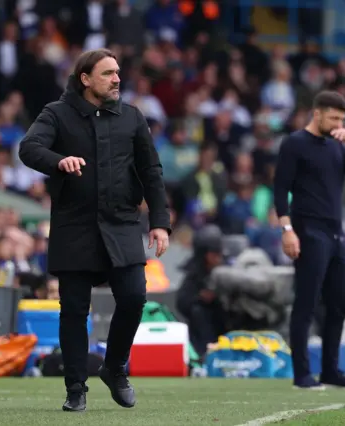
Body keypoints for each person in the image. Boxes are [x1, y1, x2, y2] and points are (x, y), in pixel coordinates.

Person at [18, 48, 171, 412]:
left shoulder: (133, 117)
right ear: (85, 79)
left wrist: (161, 223)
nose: (117, 79)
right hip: (75, 225)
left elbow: (152, 172)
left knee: (134, 298)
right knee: (73, 309)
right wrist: (59, 161)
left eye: (117, 72)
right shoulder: (56, 113)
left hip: (122, 223)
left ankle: (115, 367)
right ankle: (75, 389)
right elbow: (29, 148)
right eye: (107, 73)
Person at [273, 91, 345, 390]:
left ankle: (331, 370)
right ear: (317, 114)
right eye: (334, 117)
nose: (339, 123)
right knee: (307, 303)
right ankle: (302, 374)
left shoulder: (338, 147)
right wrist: (287, 230)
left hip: (336, 233)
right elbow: (280, 189)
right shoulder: (295, 144)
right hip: (308, 230)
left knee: (340, 302)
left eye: (342, 118)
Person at [176, 224, 226, 357]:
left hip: (224, 319)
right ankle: (203, 354)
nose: (217, 258)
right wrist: (200, 297)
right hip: (202, 327)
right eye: (213, 254)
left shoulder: (226, 270)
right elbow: (182, 302)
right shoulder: (194, 273)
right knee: (198, 311)